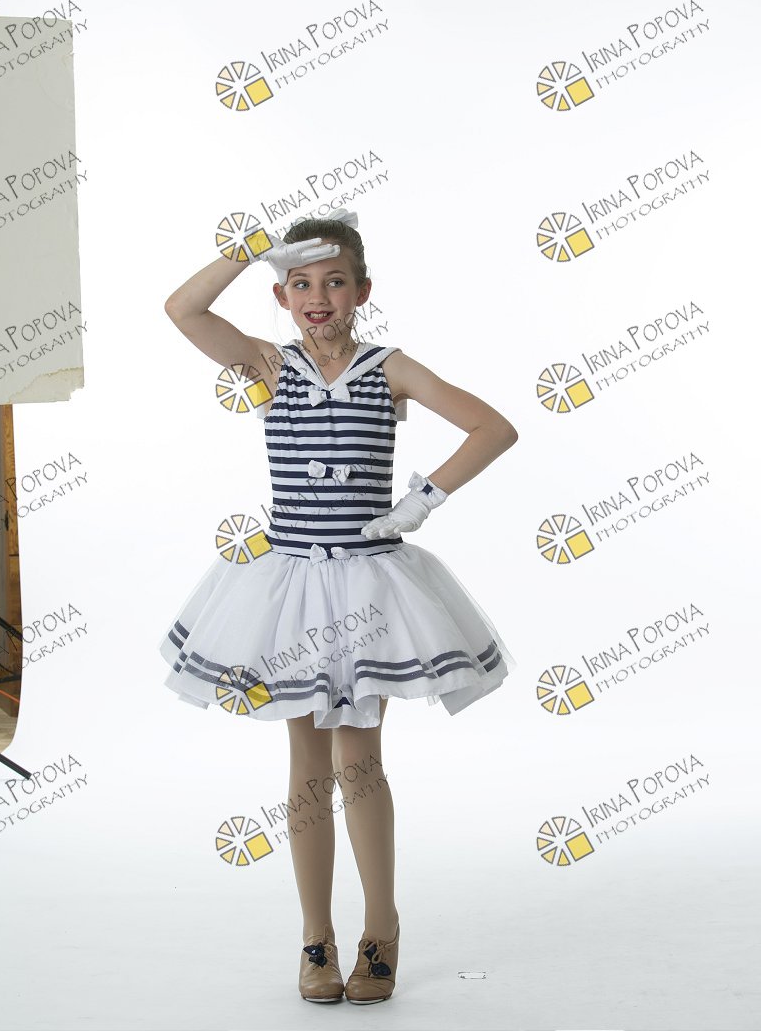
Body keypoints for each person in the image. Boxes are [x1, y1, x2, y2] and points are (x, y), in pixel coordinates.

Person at [158, 208, 519, 1005]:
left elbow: (493, 428)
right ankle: (314, 937)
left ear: (362, 290)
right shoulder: (268, 364)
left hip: (366, 586)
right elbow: (183, 309)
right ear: (280, 295)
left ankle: (380, 929)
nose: (317, 297)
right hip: (289, 587)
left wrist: (422, 499)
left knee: (360, 762)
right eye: (300, 283)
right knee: (306, 767)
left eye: (334, 281)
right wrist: (252, 250)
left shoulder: (389, 368)